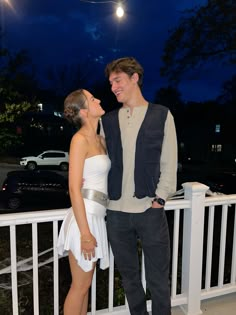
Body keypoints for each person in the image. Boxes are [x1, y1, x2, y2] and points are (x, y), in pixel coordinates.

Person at [101, 57, 178, 315]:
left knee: (158, 279)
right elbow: (101, 162)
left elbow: (169, 162)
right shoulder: (108, 121)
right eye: (111, 82)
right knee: (130, 279)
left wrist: (160, 199)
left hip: (149, 210)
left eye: (118, 80)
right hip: (116, 213)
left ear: (135, 78)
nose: (113, 87)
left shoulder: (162, 115)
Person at [57, 89, 110, 315]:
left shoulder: (100, 139)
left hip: (97, 216)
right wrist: (86, 234)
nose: (98, 99)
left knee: (85, 286)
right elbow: (73, 188)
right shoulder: (78, 140)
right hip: (84, 220)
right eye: (92, 99)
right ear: (85, 111)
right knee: (79, 287)